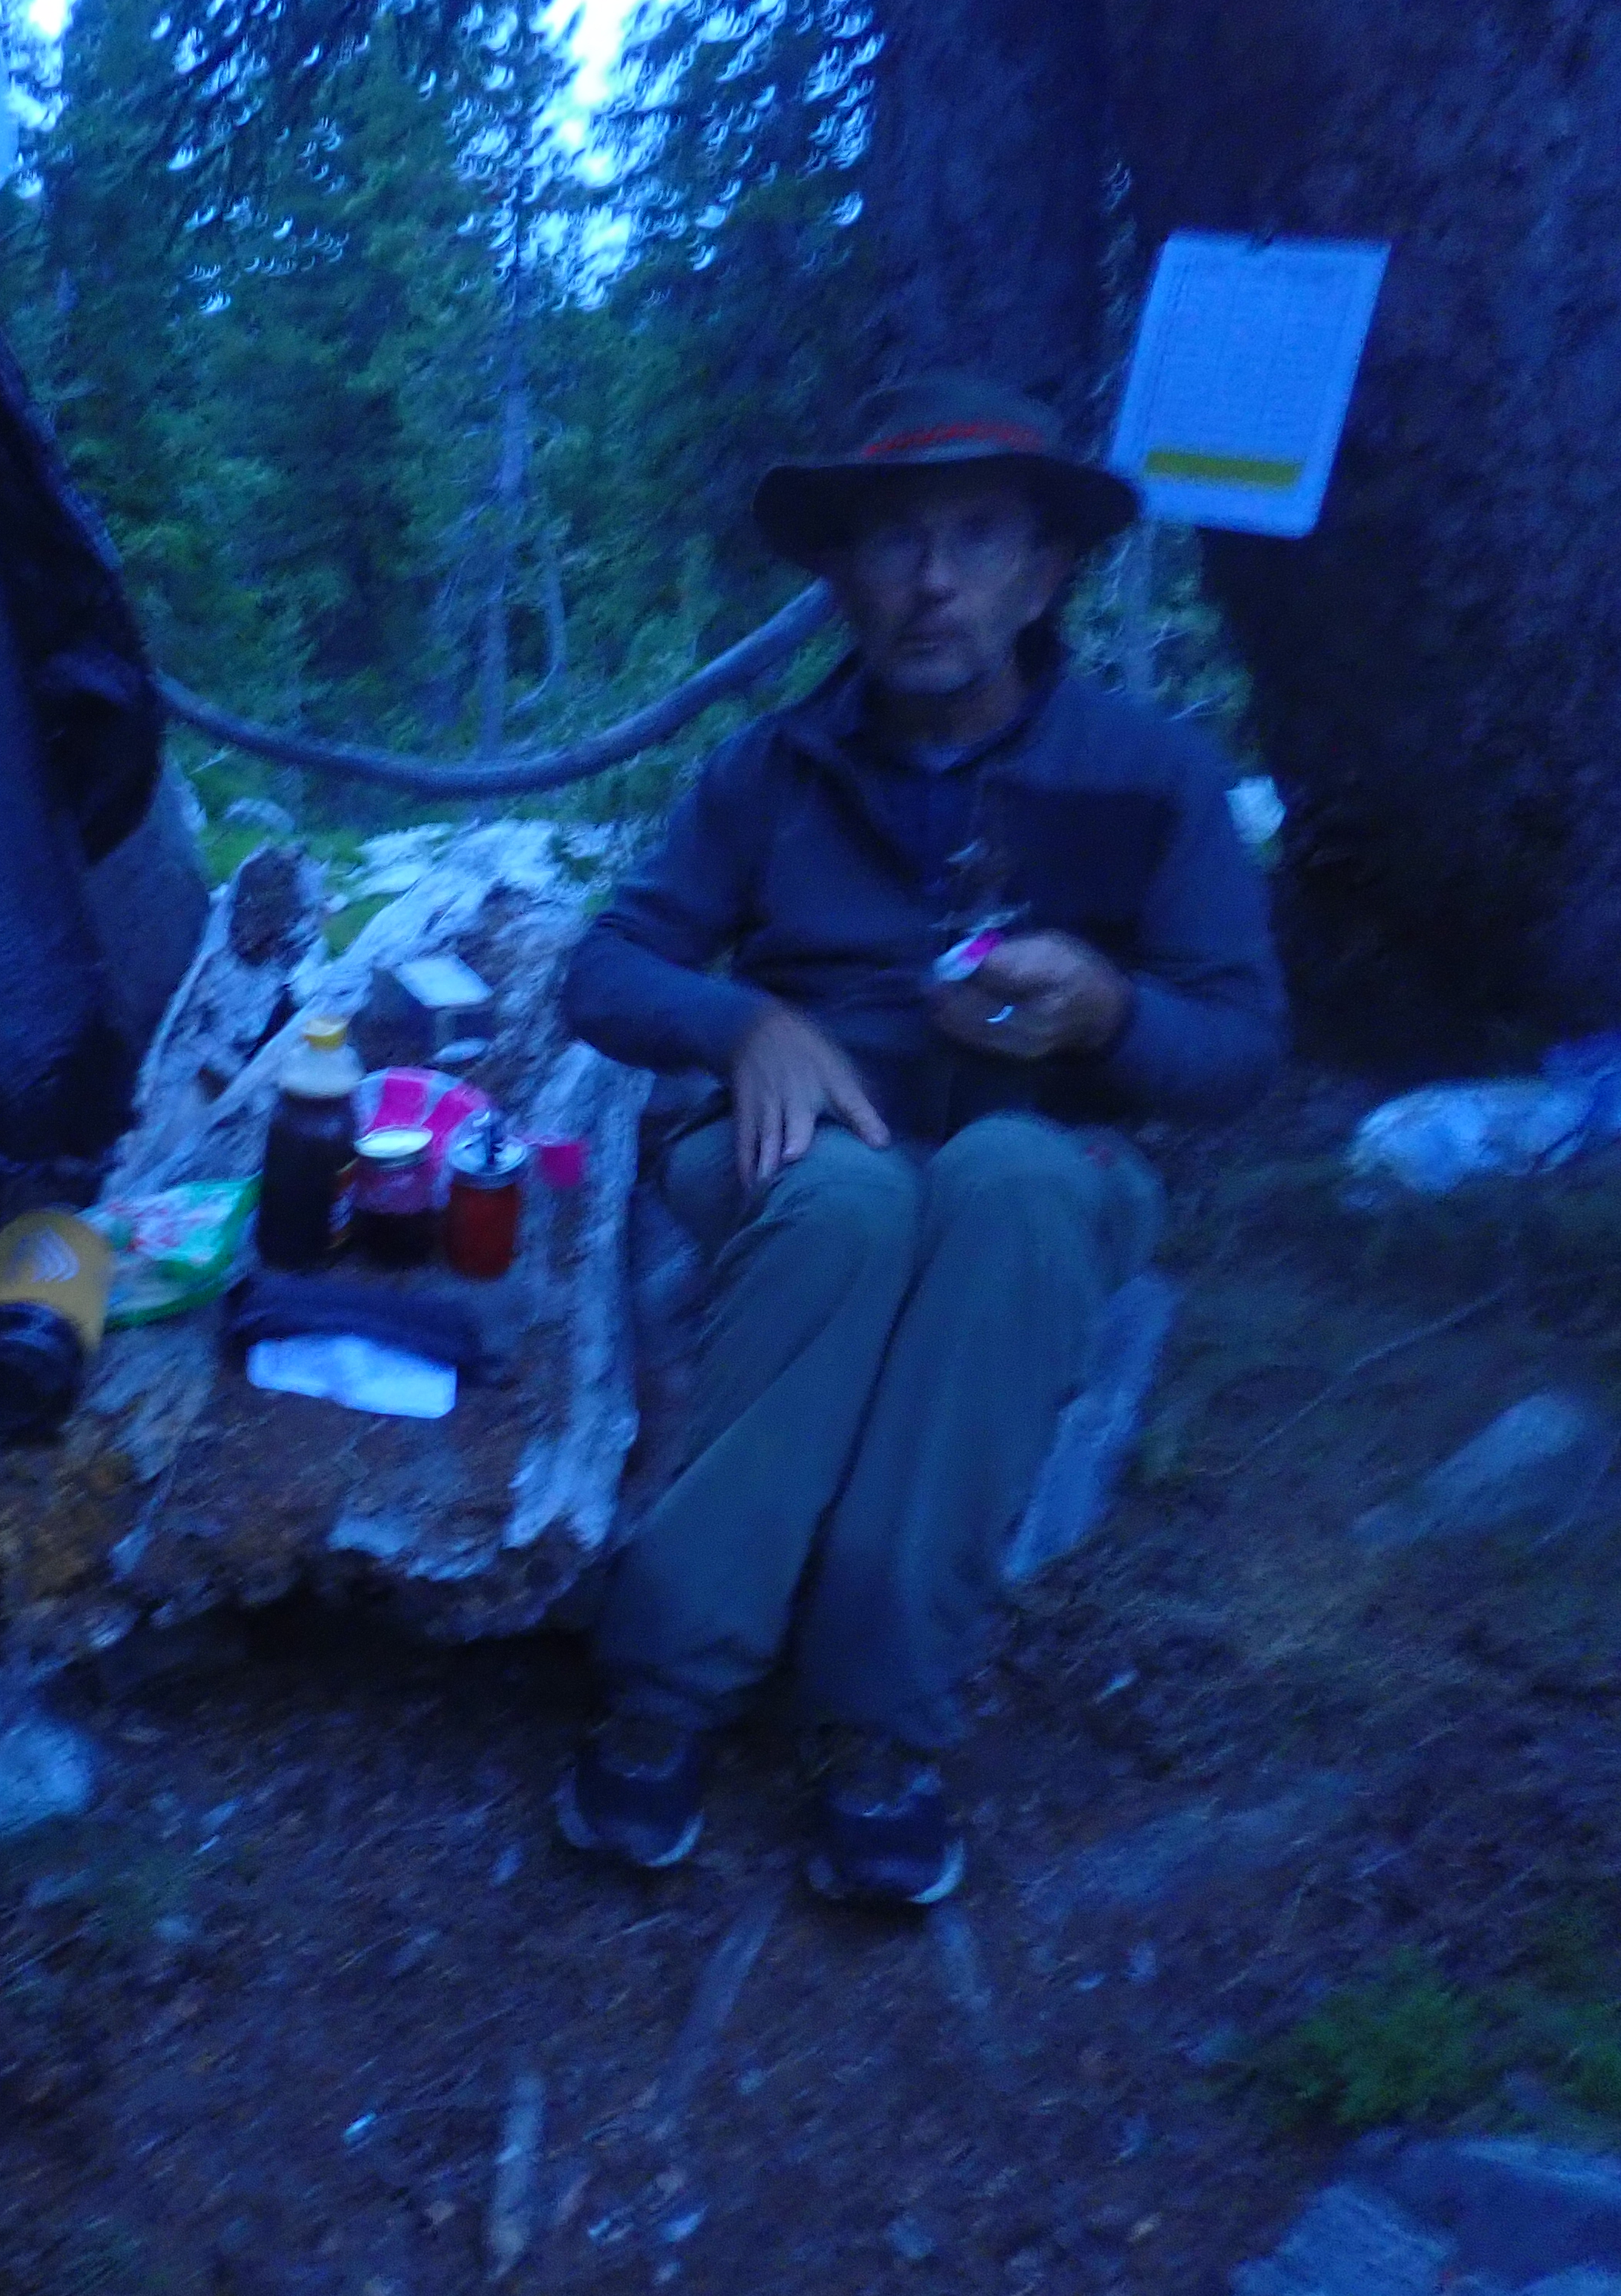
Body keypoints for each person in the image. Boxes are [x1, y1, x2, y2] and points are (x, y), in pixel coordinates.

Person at [556, 375, 1286, 1906]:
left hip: (1040, 1149)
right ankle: (667, 1684)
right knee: (841, 1205)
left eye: (973, 538)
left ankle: (873, 1719)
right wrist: (742, 1026)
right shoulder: (769, 770)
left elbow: (1236, 1045)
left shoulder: (1148, 775)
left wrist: (1102, 1011)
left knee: (1010, 1188)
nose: (931, 581)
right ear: (840, 577)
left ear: (1042, 571)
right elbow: (606, 967)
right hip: (800, 1135)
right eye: (892, 544)